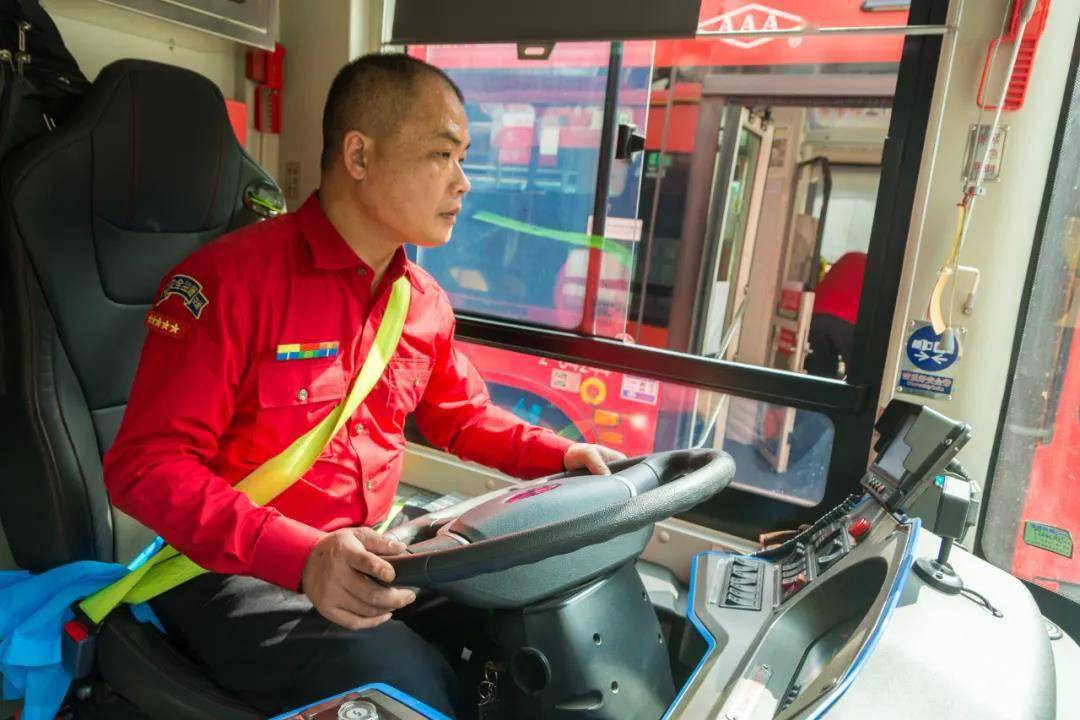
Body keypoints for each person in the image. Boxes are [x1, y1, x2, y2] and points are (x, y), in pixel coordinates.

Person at [102, 53, 624, 718]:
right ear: (358, 155)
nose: (465, 184)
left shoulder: (422, 301)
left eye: (464, 158)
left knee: (533, 627)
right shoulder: (228, 285)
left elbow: (460, 417)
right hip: (234, 569)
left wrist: (562, 457)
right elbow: (144, 469)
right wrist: (302, 556)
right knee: (405, 691)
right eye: (443, 155)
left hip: (378, 544)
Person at [805, 251, 867, 379]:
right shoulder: (877, 268)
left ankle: (815, 395)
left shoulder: (850, 256)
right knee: (859, 375)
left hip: (817, 313)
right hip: (848, 318)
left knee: (819, 371)